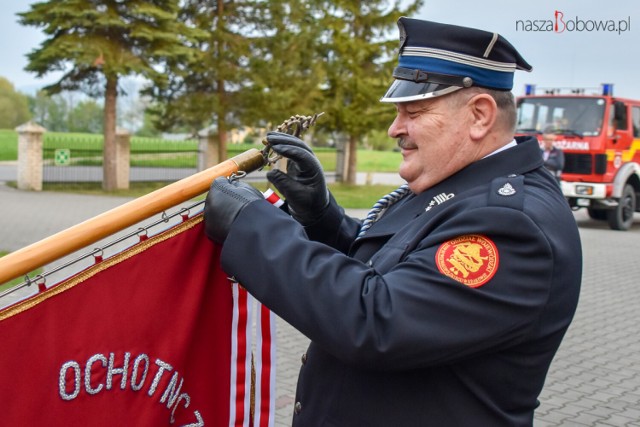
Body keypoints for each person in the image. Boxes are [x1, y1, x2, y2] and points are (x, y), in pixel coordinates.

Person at [204, 17, 582, 426]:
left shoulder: (511, 223)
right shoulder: (462, 186)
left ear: (479, 115)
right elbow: (396, 270)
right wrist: (323, 219)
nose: (394, 129)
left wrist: (254, 227)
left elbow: (378, 320)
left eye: (414, 111)